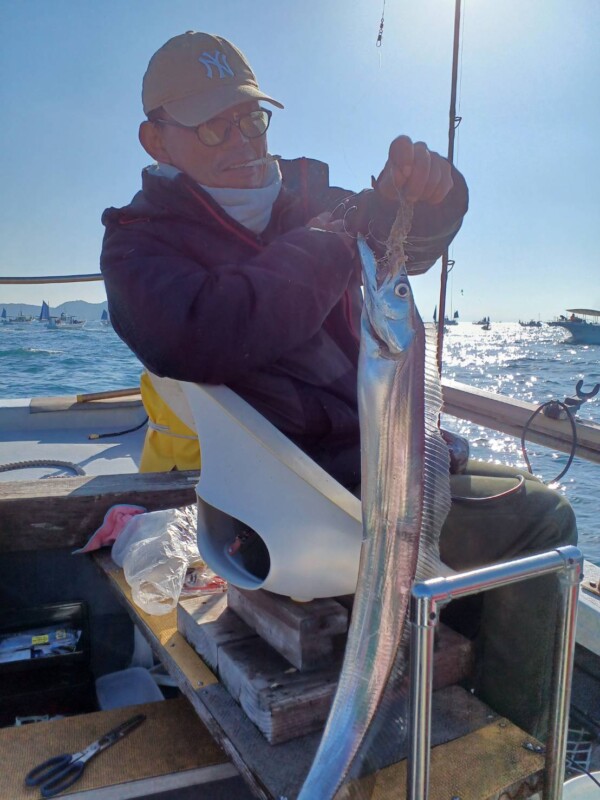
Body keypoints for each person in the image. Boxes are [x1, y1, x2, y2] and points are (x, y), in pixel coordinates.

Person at [101, 32, 577, 740]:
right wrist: (333, 238)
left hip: (360, 476)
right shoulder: (139, 244)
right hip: (318, 505)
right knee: (545, 520)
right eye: (212, 123)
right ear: (157, 140)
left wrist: (434, 197)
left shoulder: (309, 195)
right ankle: (507, 738)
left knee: (486, 487)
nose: (241, 138)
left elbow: (399, 244)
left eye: (252, 117)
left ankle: (451, 689)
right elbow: (204, 331)